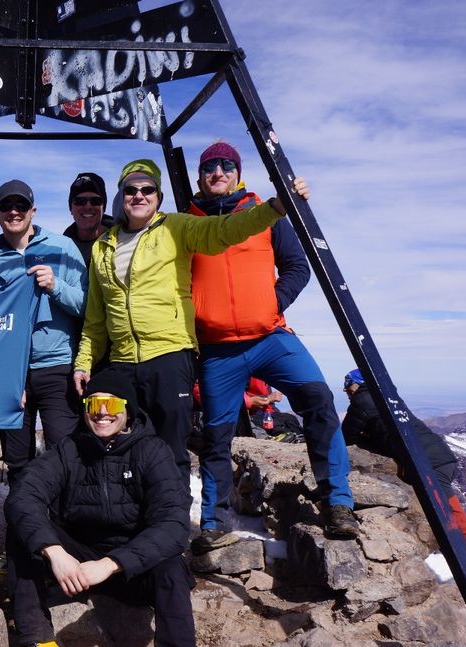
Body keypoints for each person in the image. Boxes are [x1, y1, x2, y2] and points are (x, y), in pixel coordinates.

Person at [73, 157, 311, 533]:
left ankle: (171, 532)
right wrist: (84, 361)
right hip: (120, 362)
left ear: (158, 196)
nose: (139, 195)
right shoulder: (104, 246)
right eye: (131, 190)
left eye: (147, 189)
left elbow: (228, 229)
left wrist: (275, 208)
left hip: (169, 355)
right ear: (121, 197)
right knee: (121, 448)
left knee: (170, 451)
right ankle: (130, 529)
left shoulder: (177, 227)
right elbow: (96, 317)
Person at [0, 370, 204, 647]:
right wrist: (55, 553)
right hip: (78, 561)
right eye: (94, 405)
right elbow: (24, 496)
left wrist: (111, 564)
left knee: (170, 562)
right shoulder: (68, 450)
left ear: (128, 411)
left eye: (112, 406)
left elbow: (173, 525)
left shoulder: (153, 452)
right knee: (24, 530)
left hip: (130, 569)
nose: (102, 414)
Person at [183, 142, 358, 548]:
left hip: (270, 336)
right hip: (217, 348)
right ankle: (214, 521)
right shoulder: (186, 224)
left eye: (226, 165)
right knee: (216, 433)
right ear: (199, 176)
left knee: (317, 396)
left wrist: (271, 303)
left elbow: (298, 265)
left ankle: (337, 502)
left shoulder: (265, 213)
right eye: (209, 166)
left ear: (238, 171)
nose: (218, 172)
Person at [341, 370, 466, 612]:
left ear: (358, 384)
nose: (346, 390)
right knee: (453, 522)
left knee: (456, 525)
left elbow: (345, 436)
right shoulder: (386, 396)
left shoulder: (362, 401)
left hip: (429, 466)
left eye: (347, 385)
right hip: (439, 459)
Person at [0, 180, 88, 485]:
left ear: (33, 210)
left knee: (64, 453)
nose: (14, 212)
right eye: (7, 206)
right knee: (18, 460)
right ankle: (24, 527)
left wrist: (56, 286)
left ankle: (61, 528)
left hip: (57, 365)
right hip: (12, 374)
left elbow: (87, 307)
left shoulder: (63, 248)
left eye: (21, 206)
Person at [62, 172, 113, 265]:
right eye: (79, 201)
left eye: (95, 201)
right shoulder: (62, 249)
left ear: (104, 207)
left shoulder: (123, 241)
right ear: (71, 208)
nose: (88, 207)